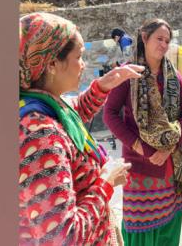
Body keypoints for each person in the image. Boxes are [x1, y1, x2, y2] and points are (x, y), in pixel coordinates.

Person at [18, 12, 145, 246]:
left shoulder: (41, 104)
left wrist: (102, 86)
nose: (83, 64)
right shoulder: (40, 136)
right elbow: (61, 238)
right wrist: (105, 183)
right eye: (79, 56)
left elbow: (70, 117)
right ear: (53, 64)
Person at [103, 18, 182, 246]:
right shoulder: (128, 74)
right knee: (140, 230)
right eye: (159, 39)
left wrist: (169, 148)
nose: (163, 45)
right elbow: (110, 115)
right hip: (139, 170)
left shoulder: (173, 77)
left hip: (171, 166)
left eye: (167, 40)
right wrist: (142, 147)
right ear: (144, 37)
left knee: (169, 228)